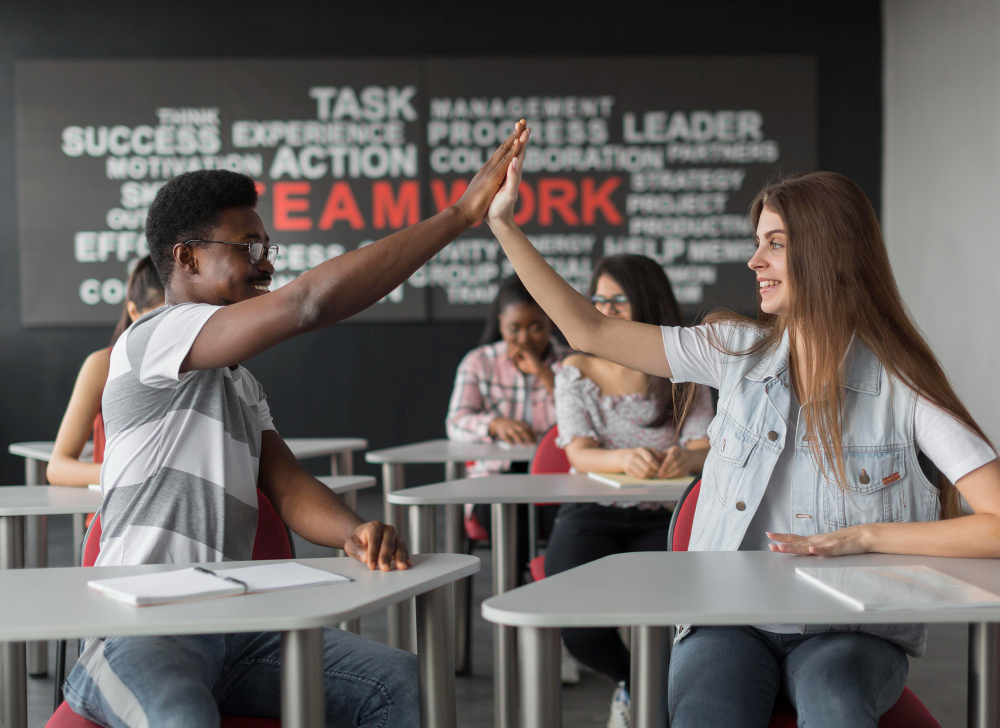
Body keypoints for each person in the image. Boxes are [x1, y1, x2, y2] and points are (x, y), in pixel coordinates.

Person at [485, 128, 999, 728]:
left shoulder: (901, 385)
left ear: (828, 252)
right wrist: (504, 226)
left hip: (849, 631)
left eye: (775, 244)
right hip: (728, 621)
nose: (755, 261)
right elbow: (590, 332)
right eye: (759, 243)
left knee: (836, 705)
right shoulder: (731, 351)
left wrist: (866, 536)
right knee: (708, 714)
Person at [63, 121, 526, 728]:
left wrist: (353, 532)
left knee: (395, 683)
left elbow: (287, 487)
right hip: (140, 631)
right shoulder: (154, 337)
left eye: (267, 248)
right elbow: (311, 303)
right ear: (186, 257)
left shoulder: (239, 381)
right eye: (246, 247)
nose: (264, 263)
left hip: (234, 628)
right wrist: (460, 214)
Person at [543, 254, 713, 728]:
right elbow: (578, 452)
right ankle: (635, 684)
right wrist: (624, 459)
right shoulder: (573, 371)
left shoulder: (684, 368)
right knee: (574, 623)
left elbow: (703, 446)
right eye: (598, 299)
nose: (606, 309)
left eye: (619, 299)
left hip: (664, 513)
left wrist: (687, 458)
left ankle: (651, 694)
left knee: (670, 624)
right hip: (591, 510)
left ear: (648, 301)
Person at [446, 274, 570, 550]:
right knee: (509, 525)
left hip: (556, 479)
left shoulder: (570, 361)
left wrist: (545, 374)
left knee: (567, 528)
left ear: (550, 322)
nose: (524, 338)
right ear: (500, 323)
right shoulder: (479, 362)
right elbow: (455, 422)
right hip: (494, 478)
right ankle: (514, 585)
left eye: (536, 327)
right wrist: (493, 424)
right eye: (514, 328)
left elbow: (588, 420)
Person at [47, 256, 165, 493]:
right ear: (133, 311)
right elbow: (58, 467)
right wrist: (133, 473)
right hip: (114, 516)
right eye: (159, 319)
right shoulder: (103, 364)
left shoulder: (206, 366)